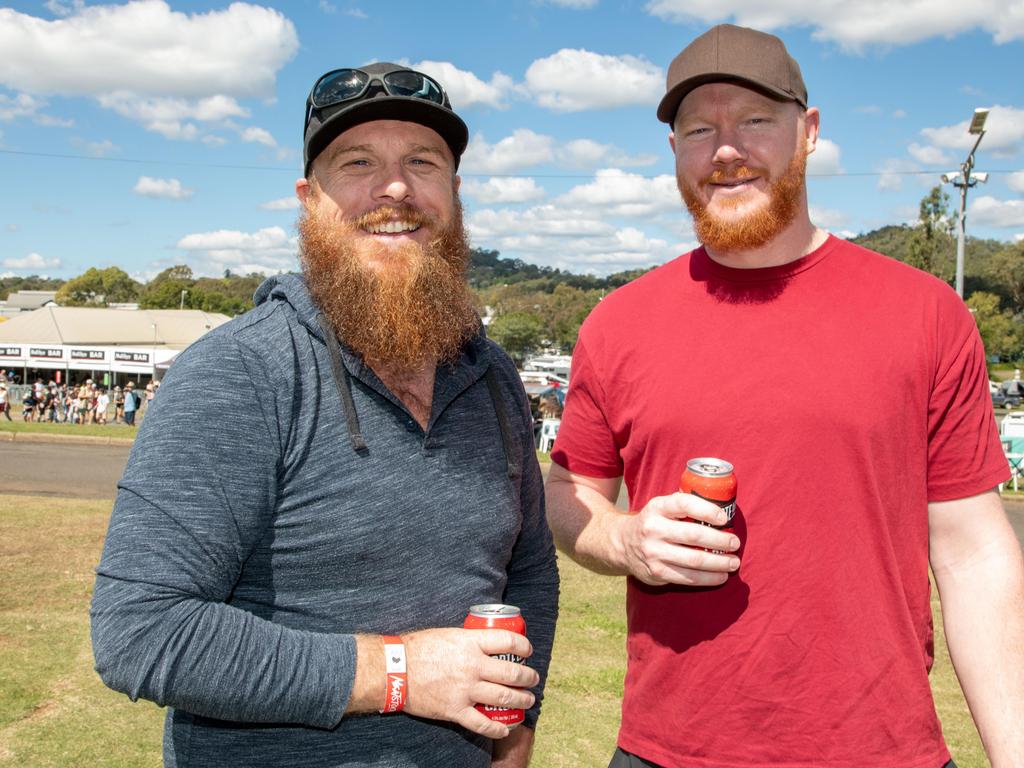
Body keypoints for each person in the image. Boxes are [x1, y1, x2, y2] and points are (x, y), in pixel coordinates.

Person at [546, 23, 1024, 768]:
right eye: (699, 128)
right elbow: (570, 493)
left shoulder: (925, 313)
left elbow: (972, 552)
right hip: (668, 752)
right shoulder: (617, 325)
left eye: (755, 121)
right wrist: (624, 538)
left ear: (809, 133)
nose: (726, 149)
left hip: (880, 749)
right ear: (676, 152)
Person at [91, 62, 558, 768]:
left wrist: (516, 727)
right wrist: (397, 674)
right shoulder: (239, 372)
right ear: (311, 200)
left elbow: (528, 574)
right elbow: (142, 631)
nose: (394, 188)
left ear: (454, 195)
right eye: (358, 162)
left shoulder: (490, 377)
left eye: (422, 162)